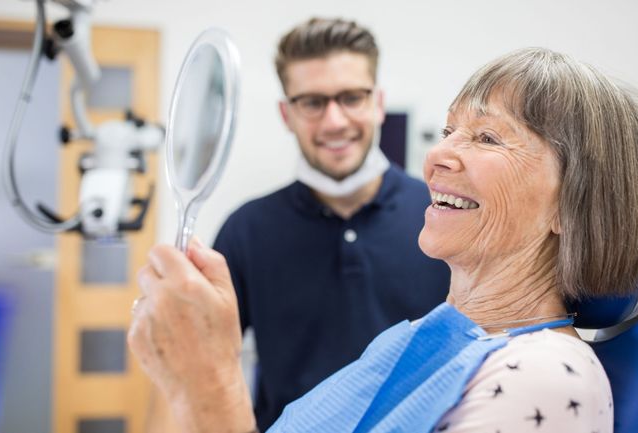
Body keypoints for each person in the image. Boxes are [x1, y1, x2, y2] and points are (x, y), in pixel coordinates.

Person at [129, 47, 638, 433]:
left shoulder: (542, 382)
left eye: (486, 136)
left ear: (571, 201)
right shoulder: (430, 340)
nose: (437, 156)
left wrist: (210, 393)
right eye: (447, 132)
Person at [144, 17, 451, 432]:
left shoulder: (441, 216)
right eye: (312, 102)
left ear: (377, 103)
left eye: (351, 97)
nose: (334, 121)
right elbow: (199, 360)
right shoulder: (247, 229)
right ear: (287, 114)